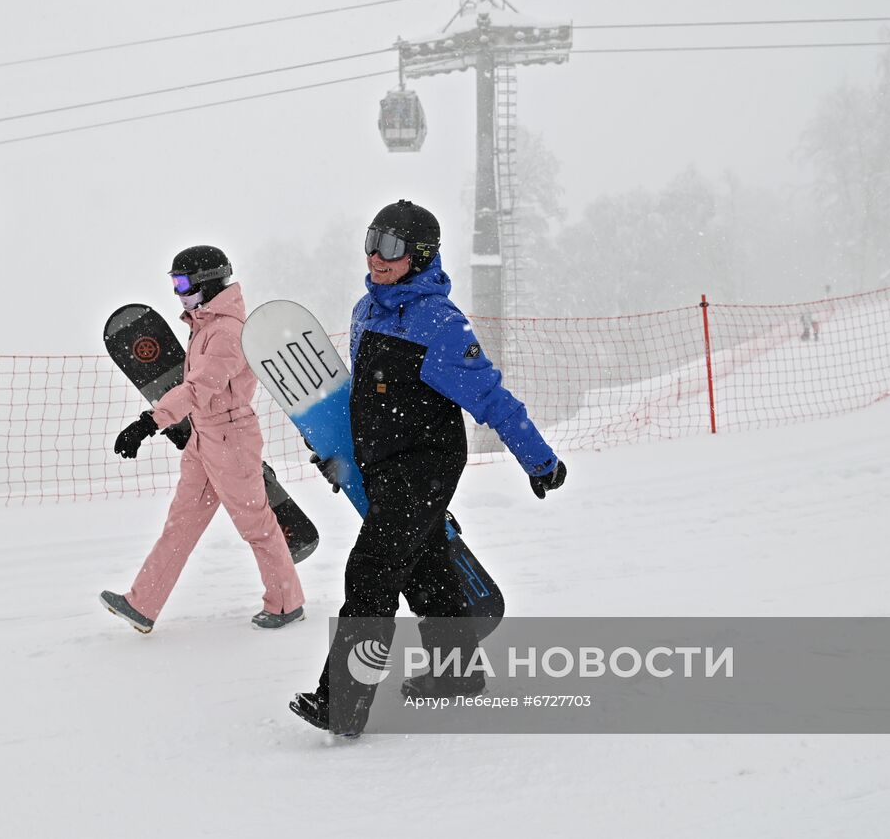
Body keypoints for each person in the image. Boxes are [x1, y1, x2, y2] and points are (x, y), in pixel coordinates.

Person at [289, 200, 567, 735]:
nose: (376, 255)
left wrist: (539, 461)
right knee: (425, 565)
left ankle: (342, 702)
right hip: (381, 463)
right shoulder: (365, 311)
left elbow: (492, 398)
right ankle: (456, 673)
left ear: (419, 256)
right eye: (371, 240)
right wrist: (340, 455)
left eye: (391, 246)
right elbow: (360, 399)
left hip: (425, 467)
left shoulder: (439, 326)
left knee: (371, 571)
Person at [101, 246, 306, 634]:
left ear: (207, 283)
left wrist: (150, 421)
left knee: (256, 524)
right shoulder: (204, 325)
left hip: (231, 436)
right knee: (181, 523)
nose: (178, 293)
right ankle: (142, 603)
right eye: (174, 284)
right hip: (204, 435)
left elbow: (198, 388)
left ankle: (286, 603)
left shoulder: (227, 332)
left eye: (183, 284)